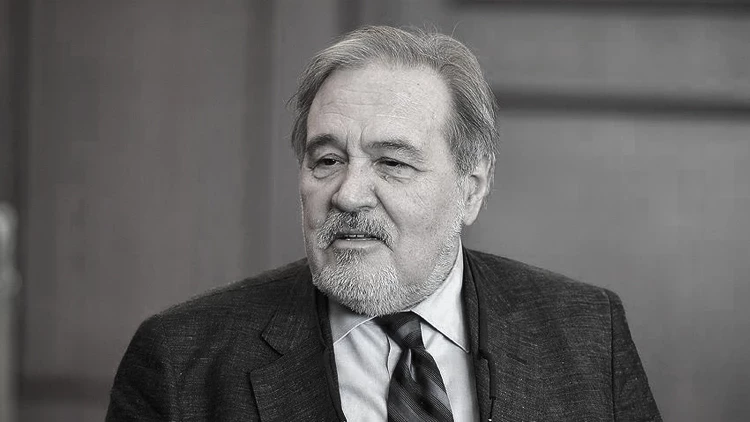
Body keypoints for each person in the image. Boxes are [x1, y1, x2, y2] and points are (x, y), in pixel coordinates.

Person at [106, 25, 661, 421]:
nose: (348, 195)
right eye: (327, 160)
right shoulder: (181, 362)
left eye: (392, 163)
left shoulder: (589, 333)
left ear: (471, 187)